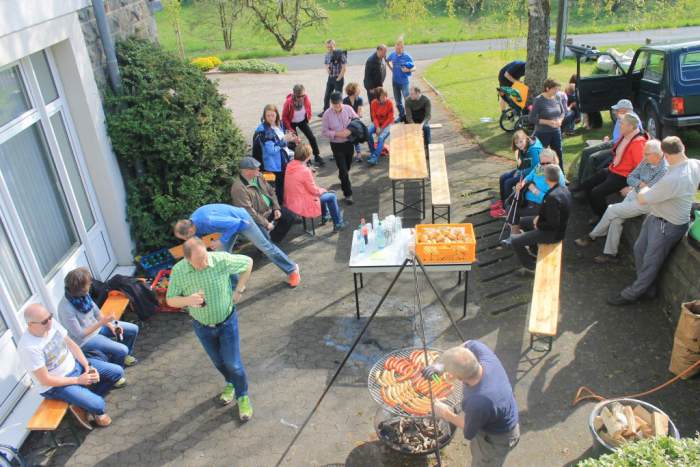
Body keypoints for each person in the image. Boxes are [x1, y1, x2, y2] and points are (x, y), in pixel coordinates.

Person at [165, 238, 254, 421]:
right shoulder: (179, 271)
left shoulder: (220, 259)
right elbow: (170, 300)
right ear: (187, 260)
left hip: (227, 323)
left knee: (233, 364)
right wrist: (188, 300)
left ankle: (242, 396)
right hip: (202, 327)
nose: (205, 263)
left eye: (205, 257)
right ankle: (230, 383)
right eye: (199, 261)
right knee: (219, 362)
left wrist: (239, 289)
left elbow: (248, 262)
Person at [608, 136, 700, 306]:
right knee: (639, 249)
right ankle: (648, 288)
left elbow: (643, 199)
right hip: (657, 217)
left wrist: (643, 186)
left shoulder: (674, 178)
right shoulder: (695, 163)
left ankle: (632, 294)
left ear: (665, 154)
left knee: (651, 262)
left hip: (668, 225)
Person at [18, 303, 123, 429]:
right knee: (99, 405)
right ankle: (86, 403)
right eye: (44, 321)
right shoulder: (28, 347)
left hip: (76, 367)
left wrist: (87, 366)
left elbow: (72, 345)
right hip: (57, 385)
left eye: (50, 317)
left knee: (117, 372)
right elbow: (45, 380)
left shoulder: (51, 324)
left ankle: (81, 403)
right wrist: (78, 380)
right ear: (30, 324)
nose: (50, 322)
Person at [426, 341, 520, 466]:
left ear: (459, 378)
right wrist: (439, 366)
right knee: (477, 451)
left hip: (497, 439)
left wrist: (445, 413)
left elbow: (469, 432)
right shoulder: (485, 355)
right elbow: (468, 343)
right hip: (498, 413)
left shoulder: (477, 402)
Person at [575, 139, 668, 263]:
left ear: (657, 155)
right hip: (634, 193)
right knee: (616, 220)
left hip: (646, 202)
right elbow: (630, 177)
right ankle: (611, 254)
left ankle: (593, 236)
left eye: (646, 154)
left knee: (611, 209)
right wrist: (640, 183)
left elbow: (650, 191)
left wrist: (640, 185)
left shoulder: (664, 170)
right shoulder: (646, 160)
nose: (644, 156)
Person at [174, 204, 300, 287]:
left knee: (266, 248)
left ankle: (292, 269)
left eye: (185, 238)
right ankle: (236, 284)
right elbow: (197, 241)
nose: (186, 240)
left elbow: (236, 223)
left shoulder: (209, 220)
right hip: (228, 226)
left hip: (243, 221)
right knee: (221, 255)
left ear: (190, 230)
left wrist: (222, 240)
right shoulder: (192, 223)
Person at [58, 268, 138, 381]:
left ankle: (124, 357)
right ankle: (115, 376)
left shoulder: (83, 295)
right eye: (88, 283)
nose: (91, 284)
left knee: (133, 329)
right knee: (121, 350)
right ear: (80, 288)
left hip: (98, 327)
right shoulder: (66, 308)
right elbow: (80, 334)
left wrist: (111, 326)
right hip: (85, 340)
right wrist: (102, 322)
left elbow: (97, 313)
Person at [572, 114, 647, 223]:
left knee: (596, 193)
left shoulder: (638, 142)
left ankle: (604, 218)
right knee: (587, 184)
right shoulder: (626, 135)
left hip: (623, 176)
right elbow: (617, 152)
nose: (620, 126)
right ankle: (593, 208)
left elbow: (641, 167)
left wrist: (631, 186)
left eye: (622, 124)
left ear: (631, 127)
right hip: (613, 169)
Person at [510, 164, 571, 275]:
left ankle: (530, 267)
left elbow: (552, 224)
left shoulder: (552, 197)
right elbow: (552, 214)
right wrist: (538, 218)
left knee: (514, 240)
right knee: (522, 222)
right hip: (553, 227)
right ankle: (534, 250)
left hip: (552, 234)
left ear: (546, 179)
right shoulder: (562, 189)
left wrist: (538, 224)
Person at [231, 157, 296, 244]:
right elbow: (249, 212)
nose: (259, 169)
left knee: (289, 216)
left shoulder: (259, 176)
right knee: (265, 238)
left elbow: (271, 191)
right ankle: (266, 246)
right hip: (256, 218)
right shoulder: (239, 188)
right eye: (256, 168)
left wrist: (276, 208)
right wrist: (266, 223)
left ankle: (273, 241)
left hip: (269, 210)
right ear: (247, 171)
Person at [503, 149, 566, 238]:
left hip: (541, 205)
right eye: (542, 163)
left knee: (513, 210)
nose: (544, 166)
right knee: (508, 203)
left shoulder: (556, 175)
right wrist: (522, 184)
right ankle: (515, 229)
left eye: (548, 163)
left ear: (554, 161)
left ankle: (514, 235)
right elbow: (529, 177)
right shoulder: (539, 167)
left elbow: (553, 200)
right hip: (527, 198)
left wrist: (535, 190)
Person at [576, 99, 641, 183]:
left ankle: (586, 184)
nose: (615, 112)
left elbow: (629, 142)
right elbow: (618, 135)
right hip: (614, 142)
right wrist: (607, 140)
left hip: (619, 147)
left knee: (593, 158)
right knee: (586, 151)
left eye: (617, 110)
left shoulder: (633, 122)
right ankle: (580, 181)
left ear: (624, 110)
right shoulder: (622, 117)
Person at [284, 144, 345, 231]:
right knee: (331, 196)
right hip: (302, 203)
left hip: (291, 201)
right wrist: (324, 190)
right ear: (308, 156)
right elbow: (314, 190)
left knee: (322, 194)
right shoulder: (305, 171)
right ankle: (338, 223)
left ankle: (326, 215)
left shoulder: (290, 165)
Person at [252, 104, 299, 202]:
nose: (270, 118)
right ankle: (280, 205)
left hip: (282, 160)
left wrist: (292, 139)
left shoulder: (279, 124)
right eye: (268, 115)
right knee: (278, 187)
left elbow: (281, 141)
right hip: (274, 165)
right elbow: (271, 150)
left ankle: (283, 202)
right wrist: (284, 140)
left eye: (272, 115)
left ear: (276, 115)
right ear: (264, 116)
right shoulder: (265, 131)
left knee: (283, 184)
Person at [321, 91, 359, 204]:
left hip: (349, 143)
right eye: (334, 104)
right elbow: (324, 132)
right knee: (343, 170)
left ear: (341, 101)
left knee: (347, 166)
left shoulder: (348, 109)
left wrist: (350, 131)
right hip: (336, 145)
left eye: (339, 103)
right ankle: (348, 194)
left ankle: (342, 177)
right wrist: (337, 134)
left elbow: (357, 120)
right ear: (331, 103)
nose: (337, 106)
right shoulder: (327, 114)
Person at [495, 130, 543, 212]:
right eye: (517, 143)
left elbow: (535, 168)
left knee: (508, 183)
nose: (519, 145)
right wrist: (518, 170)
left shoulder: (533, 150)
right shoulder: (524, 146)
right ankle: (503, 202)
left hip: (535, 174)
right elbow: (524, 162)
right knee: (503, 177)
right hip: (526, 169)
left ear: (526, 138)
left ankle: (509, 208)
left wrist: (520, 172)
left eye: (521, 141)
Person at [281, 84, 324, 167]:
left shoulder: (305, 98)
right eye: (299, 96)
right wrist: (289, 128)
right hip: (291, 123)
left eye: (303, 96)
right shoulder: (288, 102)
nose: (301, 98)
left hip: (302, 121)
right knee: (296, 142)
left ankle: (317, 156)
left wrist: (309, 117)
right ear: (294, 94)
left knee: (312, 137)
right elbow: (284, 117)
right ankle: (304, 160)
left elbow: (309, 108)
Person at [529, 78, 566, 168]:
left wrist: (560, 120)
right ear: (547, 88)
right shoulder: (538, 100)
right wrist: (548, 122)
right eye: (555, 89)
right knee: (540, 155)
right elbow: (531, 118)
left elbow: (562, 112)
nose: (557, 91)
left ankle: (560, 173)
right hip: (542, 133)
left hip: (556, 132)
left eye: (558, 89)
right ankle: (539, 174)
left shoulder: (557, 97)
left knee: (558, 153)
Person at [386, 36, 415, 122]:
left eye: (399, 48)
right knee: (398, 101)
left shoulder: (407, 56)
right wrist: (391, 69)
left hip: (404, 82)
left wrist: (408, 70)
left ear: (403, 47)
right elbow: (387, 60)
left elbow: (414, 67)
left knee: (407, 100)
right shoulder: (393, 55)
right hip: (395, 82)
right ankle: (402, 116)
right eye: (396, 47)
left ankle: (410, 116)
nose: (398, 49)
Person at [367, 87, 394, 165]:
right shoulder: (373, 103)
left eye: (385, 96)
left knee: (381, 137)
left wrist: (381, 128)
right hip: (377, 123)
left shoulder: (389, 103)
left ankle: (375, 157)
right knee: (367, 133)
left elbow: (390, 118)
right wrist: (377, 126)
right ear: (377, 98)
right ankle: (373, 152)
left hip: (388, 123)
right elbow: (374, 117)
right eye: (382, 97)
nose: (385, 98)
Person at [320, 39, 347, 115]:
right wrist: (327, 69)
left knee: (338, 97)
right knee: (327, 95)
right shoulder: (327, 55)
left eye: (331, 47)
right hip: (330, 78)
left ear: (334, 46)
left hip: (338, 78)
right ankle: (325, 111)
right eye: (328, 47)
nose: (329, 48)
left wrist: (339, 78)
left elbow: (344, 67)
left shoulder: (340, 54)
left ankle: (340, 111)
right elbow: (326, 63)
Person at [343, 82, 365, 162]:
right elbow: (344, 114)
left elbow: (359, 113)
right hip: (347, 121)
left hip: (355, 121)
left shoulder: (359, 99)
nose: (359, 90)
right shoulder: (345, 100)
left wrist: (355, 116)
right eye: (358, 89)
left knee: (354, 131)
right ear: (353, 91)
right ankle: (347, 152)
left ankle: (358, 153)